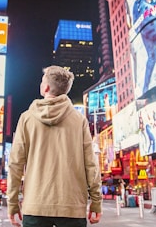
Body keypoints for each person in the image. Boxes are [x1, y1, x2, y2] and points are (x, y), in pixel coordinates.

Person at [7, 65, 102, 227]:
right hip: (72, 207)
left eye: (42, 81)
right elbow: (91, 164)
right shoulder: (79, 120)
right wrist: (96, 201)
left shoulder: (26, 118)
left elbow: (15, 164)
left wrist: (13, 203)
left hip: (35, 206)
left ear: (46, 87)